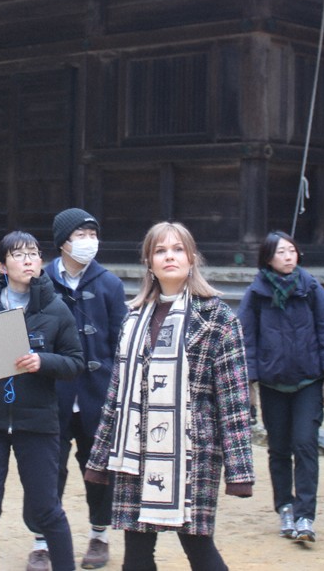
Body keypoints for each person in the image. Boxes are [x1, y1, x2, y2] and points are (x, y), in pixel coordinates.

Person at [83, 221, 254, 571]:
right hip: (136, 451)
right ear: (149, 261)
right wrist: (99, 460)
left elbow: (234, 400)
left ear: (192, 258)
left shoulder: (219, 318)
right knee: (136, 553)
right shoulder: (133, 319)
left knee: (199, 550)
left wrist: (239, 471)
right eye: (160, 250)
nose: (169, 257)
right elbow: (115, 397)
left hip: (193, 451)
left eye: (178, 249)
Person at [0, 230, 84, 571]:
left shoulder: (57, 309)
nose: (28, 260)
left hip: (37, 421)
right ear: (2, 266)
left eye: (33, 254)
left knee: (47, 509)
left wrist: (43, 361)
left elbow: (75, 362)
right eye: (18, 255)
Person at [25, 208, 127, 570]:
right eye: (81, 234)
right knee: (45, 470)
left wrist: (119, 390)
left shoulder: (110, 284)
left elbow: (120, 344)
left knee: (97, 468)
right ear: (63, 242)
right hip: (49, 394)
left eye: (92, 234)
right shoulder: (39, 282)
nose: (89, 241)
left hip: (97, 395)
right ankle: (41, 542)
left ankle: (99, 536)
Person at [236, 230, 324, 543]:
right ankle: (284, 507)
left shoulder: (310, 287)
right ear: (268, 258)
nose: (289, 257)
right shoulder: (257, 293)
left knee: (304, 444)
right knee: (279, 449)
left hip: (308, 382)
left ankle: (305, 514)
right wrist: (248, 385)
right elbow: (245, 340)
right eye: (281, 252)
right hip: (274, 385)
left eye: (292, 251)